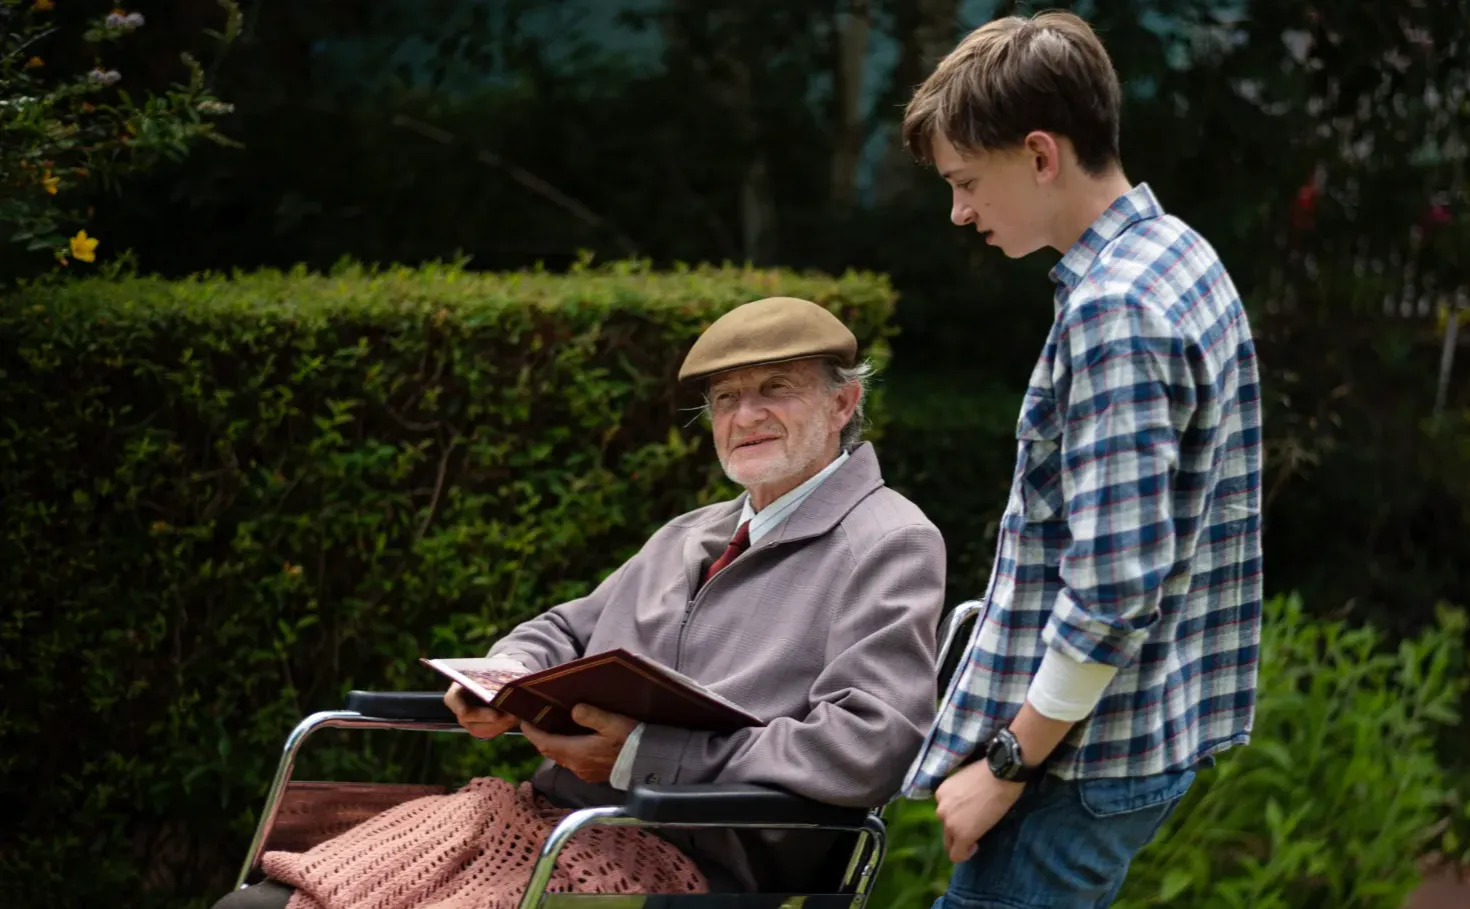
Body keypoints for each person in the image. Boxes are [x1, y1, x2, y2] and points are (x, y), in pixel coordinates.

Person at [216, 296, 947, 909]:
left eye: (775, 388)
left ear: (843, 401)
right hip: (549, 818)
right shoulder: (692, 532)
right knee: (263, 901)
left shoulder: (886, 540)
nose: (745, 414)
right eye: (726, 397)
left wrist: (641, 756)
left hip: (694, 854)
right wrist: (504, 677)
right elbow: (566, 627)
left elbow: (867, 744)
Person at [894, 10, 1265, 909]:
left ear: (1039, 154)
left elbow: (1114, 584)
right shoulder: (1176, 252)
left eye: (967, 180)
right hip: (1135, 730)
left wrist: (1008, 763)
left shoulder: (1116, 311)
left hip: (1080, 759)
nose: (960, 210)